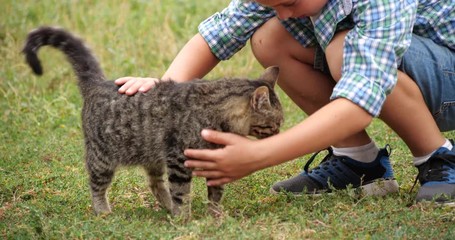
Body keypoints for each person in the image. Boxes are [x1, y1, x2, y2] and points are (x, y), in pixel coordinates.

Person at [115, 0, 455, 204]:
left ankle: (438, 157)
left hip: (447, 76)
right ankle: (359, 163)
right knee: (271, 36)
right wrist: (166, 89)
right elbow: (222, 31)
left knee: (342, 50)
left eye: (289, 2)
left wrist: (258, 155)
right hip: (409, 70)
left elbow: (361, 98)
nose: (284, 12)